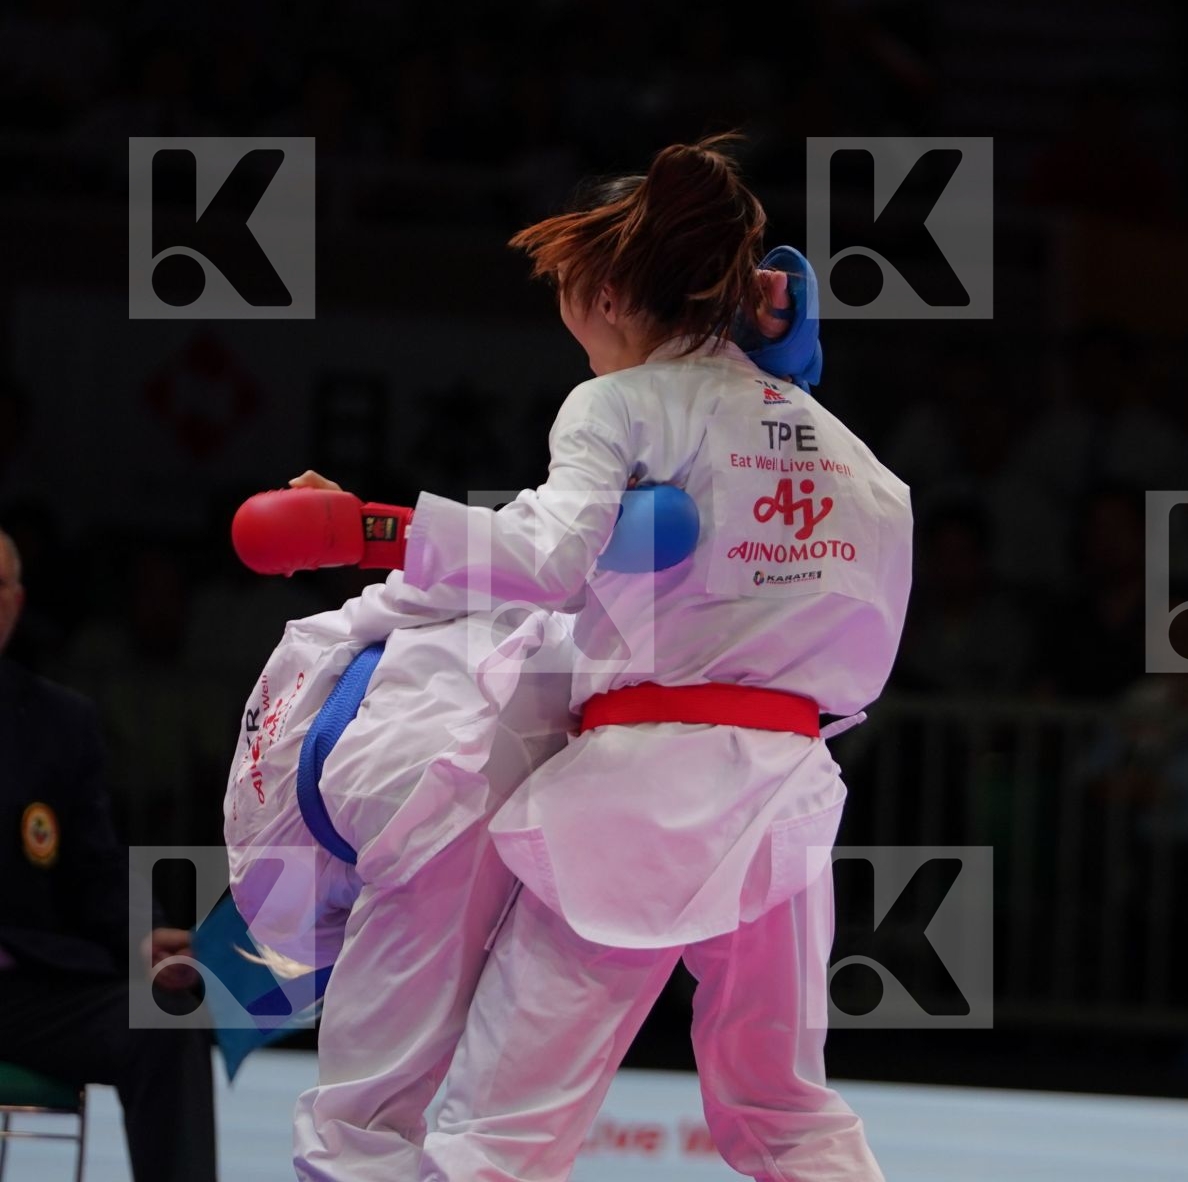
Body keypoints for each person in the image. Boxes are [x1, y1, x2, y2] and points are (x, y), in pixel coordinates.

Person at [295, 134, 909, 1180]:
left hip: (642, 801)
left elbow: (544, 558)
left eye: (569, 292)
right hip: (792, 796)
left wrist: (373, 528)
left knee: (503, 1127)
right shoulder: (854, 456)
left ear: (611, 295)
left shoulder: (621, 403)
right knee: (786, 1112)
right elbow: (865, 644)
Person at [0, 525, 218, 1182]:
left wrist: (145, 935)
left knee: (167, 1020)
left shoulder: (57, 722)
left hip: (26, 987)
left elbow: (96, 866)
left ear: (15, 603)